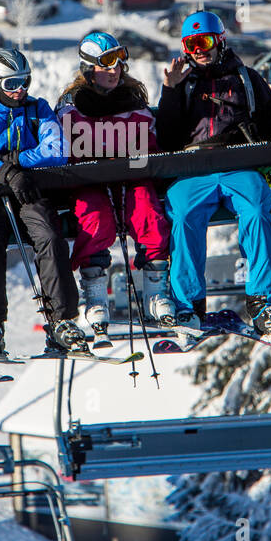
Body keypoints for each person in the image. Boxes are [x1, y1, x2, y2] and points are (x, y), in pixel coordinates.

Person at [155, 11, 271, 341]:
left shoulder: (246, 79)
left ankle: (263, 304)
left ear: (220, 40)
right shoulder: (183, 85)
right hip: (194, 169)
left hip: (239, 164)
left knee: (258, 209)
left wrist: (268, 155)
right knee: (183, 213)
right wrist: (170, 91)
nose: (199, 49)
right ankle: (188, 305)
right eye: (191, 43)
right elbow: (168, 139)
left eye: (204, 41)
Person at [0, 48, 87, 357]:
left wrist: (17, 163)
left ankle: (62, 319)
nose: (20, 91)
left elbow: (56, 149)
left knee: (50, 236)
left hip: (28, 189)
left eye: (25, 82)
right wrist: (3, 171)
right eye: (11, 84)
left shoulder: (36, 109)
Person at [55, 31, 174, 334]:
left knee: (148, 211)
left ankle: (157, 291)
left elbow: (146, 141)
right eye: (106, 63)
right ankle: (95, 296)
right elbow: (76, 143)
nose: (114, 69)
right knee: (93, 218)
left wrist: (115, 148)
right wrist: (116, 143)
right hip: (89, 180)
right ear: (88, 68)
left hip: (130, 176)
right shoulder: (72, 101)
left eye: (119, 62)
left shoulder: (132, 98)